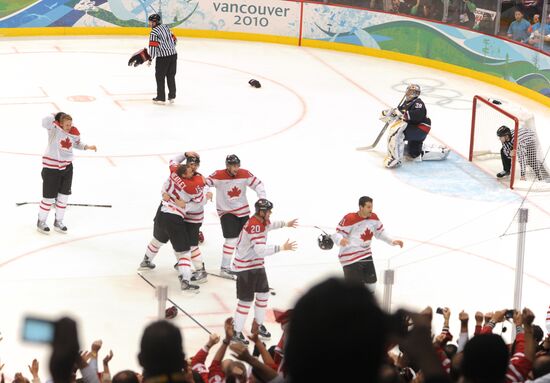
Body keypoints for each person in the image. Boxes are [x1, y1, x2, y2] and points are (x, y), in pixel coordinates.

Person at [231, 198, 297, 344]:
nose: (270, 213)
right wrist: (281, 248)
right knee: (246, 301)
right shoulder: (255, 226)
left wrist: (285, 224)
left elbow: (270, 225)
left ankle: (258, 325)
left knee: (263, 294)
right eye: (268, 211)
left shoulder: (261, 221)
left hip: (255, 265)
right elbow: (260, 250)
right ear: (261, 212)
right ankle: (236, 332)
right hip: (245, 267)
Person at [139, 163, 201, 292]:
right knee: (184, 251)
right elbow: (200, 201)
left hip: (161, 212)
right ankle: (185, 281)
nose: (192, 172)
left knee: (157, 240)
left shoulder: (173, 175)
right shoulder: (191, 186)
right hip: (174, 218)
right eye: (190, 172)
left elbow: (164, 187)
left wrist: (165, 195)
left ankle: (146, 261)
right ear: (184, 175)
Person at [205, 154, 266, 279]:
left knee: (245, 240)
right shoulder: (218, 175)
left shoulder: (244, 173)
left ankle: (242, 265)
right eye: (233, 166)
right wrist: (208, 191)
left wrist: (262, 199)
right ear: (227, 165)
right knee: (231, 240)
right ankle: (225, 268)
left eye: (237, 165)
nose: (236, 168)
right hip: (226, 212)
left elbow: (258, 184)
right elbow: (205, 183)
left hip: (243, 211)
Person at [38, 113, 97, 234]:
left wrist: (87, 147)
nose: (69, 127)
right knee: (48, 198)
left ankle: (58, 221)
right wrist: (55, 114)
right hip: (51, 168)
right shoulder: (53, 129)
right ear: (60, 123)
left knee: (64, 197)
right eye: (66, 125)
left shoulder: (73, 132)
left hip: (67, 168)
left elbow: (76, 144)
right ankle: (41, 221)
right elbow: (44, 122)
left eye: (70, 124)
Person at [330, 196, 403, 291]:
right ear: (361, 207)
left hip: (366, 255)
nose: (371, 209)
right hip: (350, 258)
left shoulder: (374, 217)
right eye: (368, 207)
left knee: (371, 284)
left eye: (371, 206)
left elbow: (380, 232)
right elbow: (337, 234)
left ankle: (367, 305)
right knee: (354, 289)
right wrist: (340, 240)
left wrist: (392, 240)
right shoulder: (350, 218)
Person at [167, 152, 211, 284]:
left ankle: (200, 270)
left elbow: (202, 201)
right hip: (182, 215)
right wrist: (185, 153)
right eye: (190, 164)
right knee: (182, 243)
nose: (193, 167)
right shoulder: (180, 172)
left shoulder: (200, 180)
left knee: (192, 245)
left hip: (193, 217)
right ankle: (183, 263)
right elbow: (172, 160)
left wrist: (183, 206)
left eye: (195, 164)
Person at [384, 84, 449, 168]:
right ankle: (438, 151)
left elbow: (417, 116)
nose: (411, 94)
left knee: (397, 133)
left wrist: (400, 114)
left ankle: (395, 159)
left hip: (420, 128)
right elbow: (399, 111)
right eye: (410, 91)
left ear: (418, 94)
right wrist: (391, 113)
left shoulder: (418, 103)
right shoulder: (406, 103)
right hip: (416, 128)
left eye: (414, 92)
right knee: (413, 154)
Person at [147, 13, 178, 104]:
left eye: (151, 22)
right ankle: (172, 96)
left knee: (160, 77)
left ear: (155, 22)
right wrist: (170, 48)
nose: (149, 24)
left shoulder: (154, 32)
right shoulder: (166, 27)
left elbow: (153, 47)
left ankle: (161, 97)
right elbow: (175, 40)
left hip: (163, 58)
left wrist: (150, 58)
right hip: (173, 55)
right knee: (171, 76)